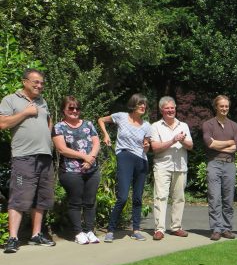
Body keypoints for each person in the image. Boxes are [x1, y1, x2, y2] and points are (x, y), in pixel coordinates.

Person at [0, 69, 56, 253]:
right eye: (36, 82)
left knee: (42, 197)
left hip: (45, 156)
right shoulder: (11, 100)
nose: (39, 86)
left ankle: (36, 235)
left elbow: (48, 121)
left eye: (42, 83)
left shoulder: (42, 101)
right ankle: (13, 238)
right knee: (19, 196)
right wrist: (25, 113)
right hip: (24, 156)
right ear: (25, 82)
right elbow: (2, 124)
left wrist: (48, 137)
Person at [99, 94, 153, 242]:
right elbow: (101, 120)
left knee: (137, 197)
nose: (143, 107)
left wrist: (147, 146)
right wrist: (105, 135)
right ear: (133, 105)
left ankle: (136, 230)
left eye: (144, 105)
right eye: (140, 104)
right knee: (122, 197)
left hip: (141, 160)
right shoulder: (121, 117)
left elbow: (146, 147)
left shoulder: (147, 125)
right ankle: (110, 230)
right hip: (125, 156)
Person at [52, 96, 101, 244]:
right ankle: (78, 232)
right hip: (71, 171)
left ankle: (90, 230)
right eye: (70, 108)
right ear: (64, 110)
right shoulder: (59, 127)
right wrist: (84, 157)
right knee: (75, 202)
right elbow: (62, 149)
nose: (74, 111)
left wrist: (91, 158)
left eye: (77, 108)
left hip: (92, 170)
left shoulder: (88, 124)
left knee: (90, 201)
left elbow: (96, 143)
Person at [149, 96, 192, 241]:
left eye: (172, 108)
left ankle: (176, 227)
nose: (170, 110)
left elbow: (190, 145)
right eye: (167, 108)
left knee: (179, 198)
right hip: (162, 166)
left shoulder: (183, 125)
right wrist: (173, 140)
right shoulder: (155, 126)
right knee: (160, 197)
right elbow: (154, 147)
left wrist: (183, 140)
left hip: (180, 166)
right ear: (162, 110)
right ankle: (159, 229)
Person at [202, 95, 237, 240]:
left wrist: (219, 145)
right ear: (216, 107)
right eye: (222, 106)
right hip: (214, 163)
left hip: (229, 164)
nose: (224, 108)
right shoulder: (208, 125)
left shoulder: (234, 125)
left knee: (228, 198)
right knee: (214, 198)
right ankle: (216, 229)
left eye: (226, 106)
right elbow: (210, 144)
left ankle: (226, 228)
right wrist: (229, 142)